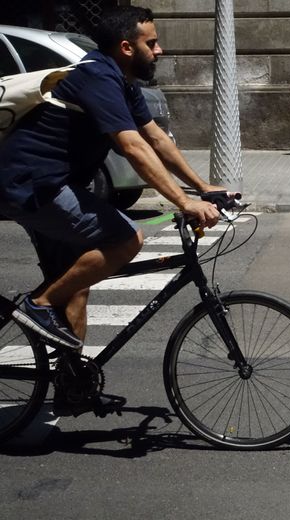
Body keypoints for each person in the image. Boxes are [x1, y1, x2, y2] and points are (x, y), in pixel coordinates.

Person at [0, 7, 222, 413]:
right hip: (33, 186)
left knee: (75, 284)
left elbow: (154, 138)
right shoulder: (98, 76)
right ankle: (38, 306)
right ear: (126, 46)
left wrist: (203, 186)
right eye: (151, 42)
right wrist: (184, 202)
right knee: (126, 238)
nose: (160, 49)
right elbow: (133, 147)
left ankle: (72, 387)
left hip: (48, 185)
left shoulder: (122, 81)